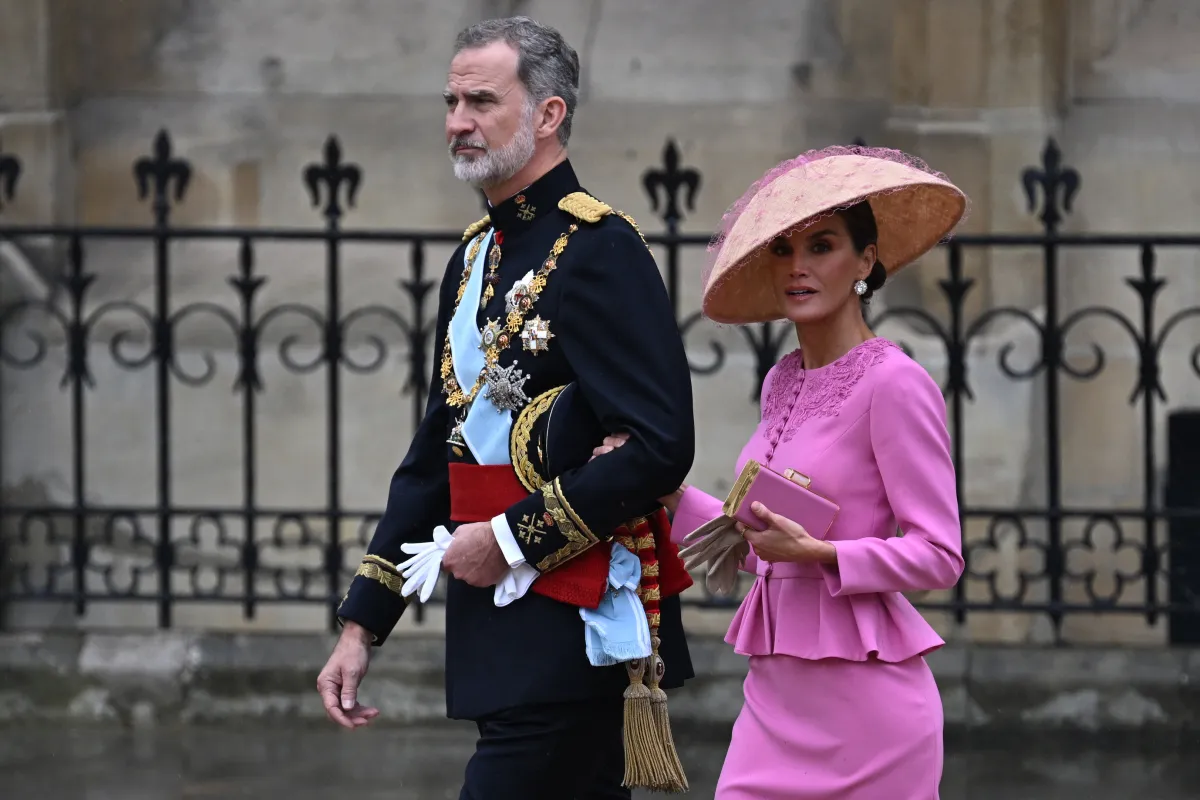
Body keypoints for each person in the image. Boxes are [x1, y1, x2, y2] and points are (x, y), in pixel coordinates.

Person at [315, 16, 697, 800]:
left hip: (574, 624)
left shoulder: (600, 248)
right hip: (496, 631)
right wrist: (362, 625)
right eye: (451, 102)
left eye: (481, 101)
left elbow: (661, 445)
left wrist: (512, 540)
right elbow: (436, 456)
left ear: (548, 114)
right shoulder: (475, 256)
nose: (457, 122)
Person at [594, 145, 969, 799]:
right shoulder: (781, 381)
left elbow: (939, 555)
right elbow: (757, 540)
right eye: (783, 250)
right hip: (773, 706)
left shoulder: (895, 383)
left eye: (821, 246)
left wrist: (821, 551)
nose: (798, 267)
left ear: (866, 260)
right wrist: (664, 489)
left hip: (870, 718)